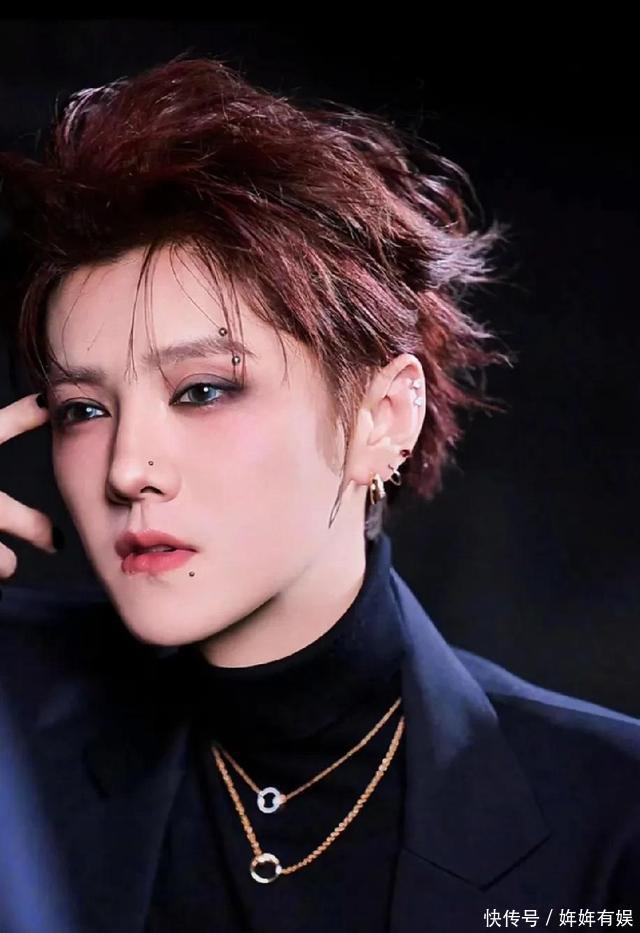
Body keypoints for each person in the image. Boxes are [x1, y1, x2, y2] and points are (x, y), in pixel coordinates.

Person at [0, 57, 638, 933]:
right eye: (84, 408)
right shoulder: (12, 718)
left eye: (203, 390)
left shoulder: (611, 812)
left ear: (383, 416)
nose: (126, 468)